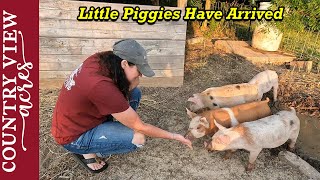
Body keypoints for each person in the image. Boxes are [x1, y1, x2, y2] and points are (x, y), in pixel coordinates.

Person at [51, 39, 192, 173]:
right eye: (139, 70)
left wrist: (132, 83)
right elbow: (141, 127)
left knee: (134, 92)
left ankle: (106, 132)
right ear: (124, 64)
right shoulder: (101, 87)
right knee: (137, 139)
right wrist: (174, 136)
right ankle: (86, 151)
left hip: (79, 117)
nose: (141, 75)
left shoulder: (102, 60)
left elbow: (124, 89)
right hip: (73, 136)